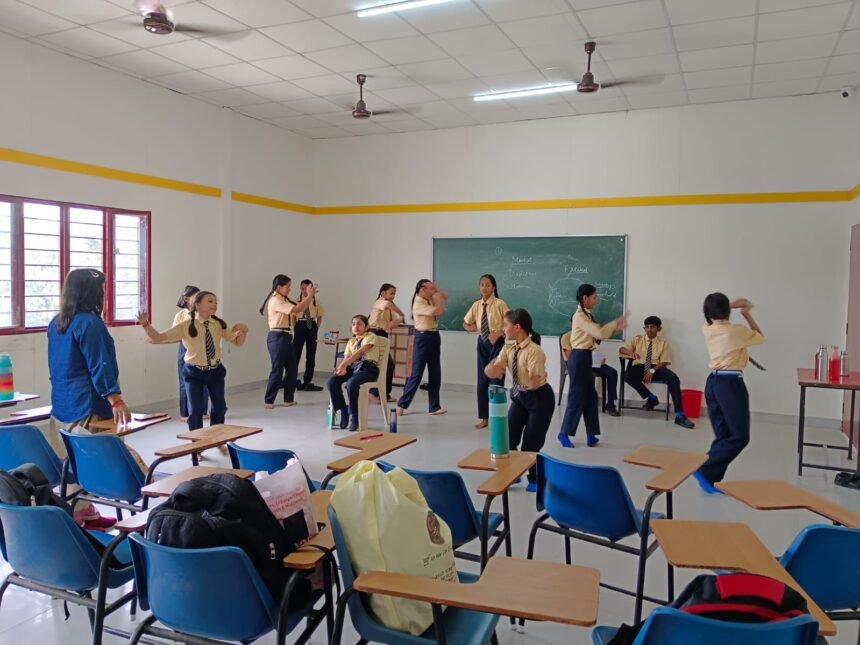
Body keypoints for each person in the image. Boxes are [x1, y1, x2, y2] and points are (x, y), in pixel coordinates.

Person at [47, 268, 132, 530]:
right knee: (96, 461)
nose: (104, 293)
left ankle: (85, 511)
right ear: (93, 292)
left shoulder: (57, 322)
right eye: (102, 289)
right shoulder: (90, 323)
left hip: (62, 402)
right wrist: (115, 399)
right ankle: (79, 514)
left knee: (71, 462)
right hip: (87, 404)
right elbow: (99, 364)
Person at [137, 291, 247, 431]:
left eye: (216, 302)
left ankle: (217, 436)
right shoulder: (186, 325)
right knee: (195, 410)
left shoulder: (219, 324)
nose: (214, 304)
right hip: (193, 372)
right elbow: (159, 337)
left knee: (219, 407)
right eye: (210, 301)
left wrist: (243, 332)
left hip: (215, 371)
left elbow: (237, 342)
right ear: (197, 305)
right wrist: (146, 325)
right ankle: (197, 441)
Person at [694, 294, 764, 494]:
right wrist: (746, 313)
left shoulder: (708, 329)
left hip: (713, 382)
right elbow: (759, 336)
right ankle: (704, 468)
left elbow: (714, 314)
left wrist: (729, 306)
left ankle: (710, 479)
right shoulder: (735, 331)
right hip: (730, 384)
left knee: (724, 434)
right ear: (726, 310)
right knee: (740, 436)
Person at [485, 309, 553, 492]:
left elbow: (534, 382)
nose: (502, 329)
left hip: (539, 399)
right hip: (520, 397)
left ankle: (536, 479)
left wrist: (532, 380)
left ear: (517, 327)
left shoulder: (534, 351)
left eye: (505, 325)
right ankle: (513, 472)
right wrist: (494, 364)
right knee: (508, 438)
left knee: (531, 444)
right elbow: (491, 372)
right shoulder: (508, 348)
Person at [559, 284, 626, 447]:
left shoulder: (587, 315)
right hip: (579, 358)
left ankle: (591, 434)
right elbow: (599, 333)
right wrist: (614, 324)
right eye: (594, 297)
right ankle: (563, 433)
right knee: (576, 396)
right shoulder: (579, 316)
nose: (596, 300)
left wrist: (612, 327)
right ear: (585, 298)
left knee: (590, 396)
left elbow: (597, 335)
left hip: (585, 357)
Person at [619, 316, 695, 429]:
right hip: (640, 366)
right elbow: (621, 349)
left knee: (674, 379)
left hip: (657, 367)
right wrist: (630, 353)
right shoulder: (637, 339)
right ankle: (651, 397)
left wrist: (652, 371)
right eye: (647, 327)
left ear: (659, 329)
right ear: (644, 328)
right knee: (627, 376)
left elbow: (664, 361)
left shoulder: (663, 342)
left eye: (652, 327)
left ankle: (680, 415)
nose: (649, 329)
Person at [258, 275, 316, 409]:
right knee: (277, 370)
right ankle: (269, 401)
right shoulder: (275, 300)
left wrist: (309, 296)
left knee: (292, 368)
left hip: (286, 336)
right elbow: (297, 309)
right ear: (279, 287)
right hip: (277, 336)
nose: (290, 289)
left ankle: (288, 399)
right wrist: (310, 295)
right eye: (287, 287)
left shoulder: (283, 299)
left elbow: (299, 307)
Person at [396, 279, 448, 417]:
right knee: (417, 373)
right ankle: (402, 404)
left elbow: (445, 296)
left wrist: (437, 291)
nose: (434, 292)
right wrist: (438, 296)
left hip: (434, 336)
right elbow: (438, 310)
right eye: (431, 289)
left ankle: (434, 407)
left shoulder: (429, 298)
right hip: (423, 338)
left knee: (435, 373)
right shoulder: (418, 303)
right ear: (422, 289)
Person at [463, 274, 508, 429]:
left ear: (493, 287)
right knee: (482, 381)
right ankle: (484, 418)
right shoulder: (476, 305)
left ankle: (497, 417)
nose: (484, 287)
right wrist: (470, 328)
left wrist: (499, 333)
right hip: (482, 343)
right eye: (482, 284)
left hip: (497, 343)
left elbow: (510, 323)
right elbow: (465, 322)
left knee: (496, 381)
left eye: (488, 285)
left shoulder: (500, 303)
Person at [326, 315, 381, 432]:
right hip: (353, 367)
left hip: (368, 368)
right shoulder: (351, 341)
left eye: (359, 324)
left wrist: (344, 365)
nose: (356, 326)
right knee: (331, 381)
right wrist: (340, 369)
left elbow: (359, 353)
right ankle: (343, 410)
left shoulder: (371, 336)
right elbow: (347, 358)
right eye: (353, 324)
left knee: (351, 384)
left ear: (366, 327)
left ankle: (355, 416)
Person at [561, 321, 620, 415]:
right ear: (571, 324)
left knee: (612, 372)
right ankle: (582, 403)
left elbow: (593, 350)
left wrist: (600, 358)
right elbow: (570, 356)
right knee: (585, 376)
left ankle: (610, 404)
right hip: (577, 364)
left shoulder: (587, 336)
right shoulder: (566, 337)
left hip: (592, 363)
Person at [173, 285, 209, 421]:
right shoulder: (180, 315)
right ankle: (185, 413)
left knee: (203, 381)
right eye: (196, 296)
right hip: (185, 349)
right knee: (185, 382)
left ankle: (202, 411)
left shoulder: (203, 313)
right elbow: (175, 334)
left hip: (201, 350)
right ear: (186, 299)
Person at [367, 283, 405, 402]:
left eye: (394, 294)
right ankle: (375, 393)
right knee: (383, 365)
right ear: (383, 293)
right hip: (374, 334)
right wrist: (402, 314)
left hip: (382, 334)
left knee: (386, 366)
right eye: (391, 293)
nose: (393, 296)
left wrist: (400, 320)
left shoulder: (389, 308)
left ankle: (382, 395)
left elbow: (388, 325)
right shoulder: (380, 302)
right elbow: (389, 304)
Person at [292, 279, 324, 392]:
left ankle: (307, 381)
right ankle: (291, 379)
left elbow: (320, 317)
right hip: (300, 324)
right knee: (295, 353)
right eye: (302, 288)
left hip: (311, 325)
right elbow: (293, 316)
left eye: (306, 288)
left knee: (311, 354)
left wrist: (315, 329)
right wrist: (295, 328)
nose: (304, 290)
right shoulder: (296, 301)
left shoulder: (315, 301)